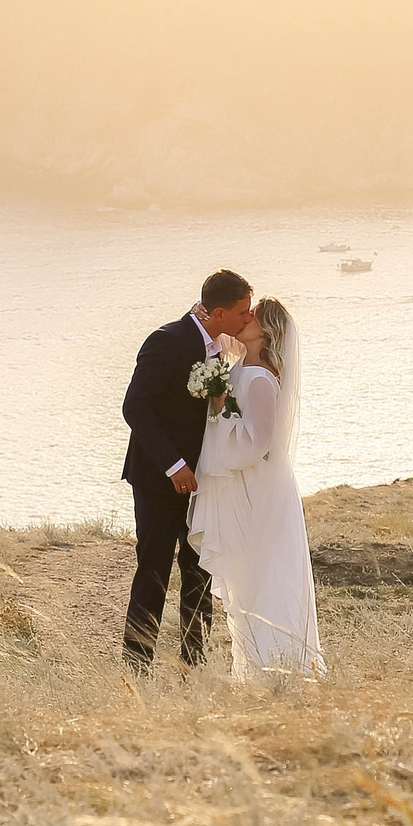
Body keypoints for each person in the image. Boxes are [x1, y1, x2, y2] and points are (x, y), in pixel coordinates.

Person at [119, 270, 254, 671]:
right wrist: (174, 466)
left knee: (199, 573)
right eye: (242, 312)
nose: (248, 319)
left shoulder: (221, 347)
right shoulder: (167, 340)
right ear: (217, 313)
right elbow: (135, 408)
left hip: (204, 482)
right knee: (154, 571)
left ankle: (192, 664)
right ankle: (135, 666)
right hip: (159, 481)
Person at [189, 298, 324, 676]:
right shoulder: (241, 365)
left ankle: (280, 666)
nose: (245, 319)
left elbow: (259, 442)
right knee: (247, 580)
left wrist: (219, 415)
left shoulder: (262, 378)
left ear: (265, 331)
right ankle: (255, 666)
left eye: (252, 317)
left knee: (266, 575)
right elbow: (217, 340)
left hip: (260, 489)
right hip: (244, 483)